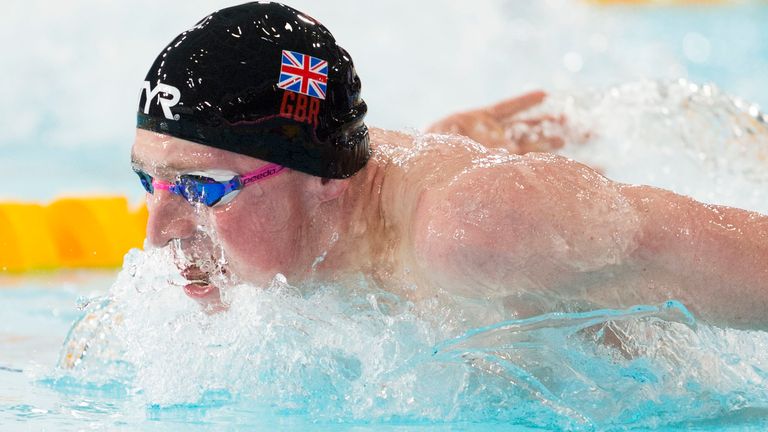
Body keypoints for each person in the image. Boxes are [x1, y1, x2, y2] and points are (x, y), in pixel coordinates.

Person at [132, 2, 767, 330]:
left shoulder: (481, 236)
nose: (157, 232)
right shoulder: (315, 210)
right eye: (149, 180)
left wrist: (510, 194)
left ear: (322, 172)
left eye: (201, 187)